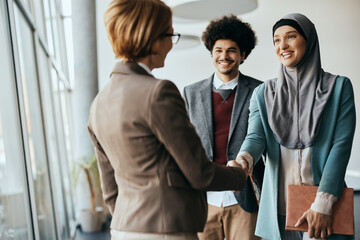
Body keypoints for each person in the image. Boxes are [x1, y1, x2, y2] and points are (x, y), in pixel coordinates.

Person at [87, 1, 248, 239]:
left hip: (123, 228)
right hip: (165, 228)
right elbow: (199, 172)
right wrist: (240, 176)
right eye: (170, 34)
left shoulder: (99, 102)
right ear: (151, 37)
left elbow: (109, 188)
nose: (171, 44)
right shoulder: (159, 92)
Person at [234, 13, 356, 240]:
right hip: (279, 211)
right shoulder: (262, 93)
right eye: (276, 40)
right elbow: (255, 137)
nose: (283, 46)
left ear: (308, 40)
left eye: (291, 36)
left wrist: (323, 204)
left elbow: (340, 148)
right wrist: (243, 159)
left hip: (324, 209)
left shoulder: (339, 88)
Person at [183, 15, 263, 240]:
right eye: (218, 50)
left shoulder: (260, 90)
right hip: (203, 199)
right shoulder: (191, 93)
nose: (224, 56)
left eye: (231, 50)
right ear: (211, 53)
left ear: (242, 55)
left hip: (246, 198)